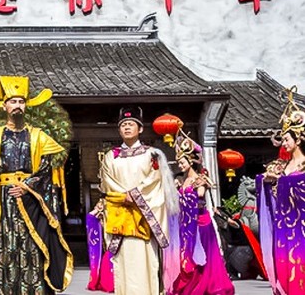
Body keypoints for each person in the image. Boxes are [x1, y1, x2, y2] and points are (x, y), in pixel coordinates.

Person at [0, 76, 73, 295]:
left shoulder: (38, 137)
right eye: (13, 101)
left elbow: (45, 170)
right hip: (2, 203)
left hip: (31, 203)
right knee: (5, 251)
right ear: (4, 106)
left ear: (26, 106)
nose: (17, 105)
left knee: (32, 250)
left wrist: (26, 186)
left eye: (21, 101)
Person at [98, 106, 179, 295]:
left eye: (131, 124)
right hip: (121, 218)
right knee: (123, 266)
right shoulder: (111, 157)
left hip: (144, 218)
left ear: (140, 128)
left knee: (147, 263)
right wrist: (124, 196)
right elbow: (107, 183)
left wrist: (134, 195)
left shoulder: (151, 155)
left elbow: (155, 181)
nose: (127, 127)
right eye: (123, 124)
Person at [169, 134, 234, 295]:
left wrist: (189, 190)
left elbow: (199, 195)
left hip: (200, 222)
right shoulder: (181, 180)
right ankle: (190, 282)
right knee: (188, 253)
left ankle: (204, 283)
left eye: (182, 162)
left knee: (204, 254)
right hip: (186, 223)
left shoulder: (200, 179)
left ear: (190, 161)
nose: (180, 165)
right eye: (179, 163)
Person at [258, 89, 305, 295]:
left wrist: (284, 181)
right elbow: (271, 186)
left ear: (298, 139)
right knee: (285, 267)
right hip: (284, 226)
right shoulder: (282, 166)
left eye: (286, 139)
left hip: (301, 227)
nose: (284, 144)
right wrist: (267, 182)